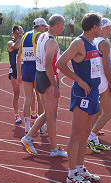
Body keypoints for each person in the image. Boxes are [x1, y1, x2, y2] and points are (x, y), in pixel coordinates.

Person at [56, 13, 102, 183]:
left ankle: (80, 168)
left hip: (93, 93)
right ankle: (71, 173)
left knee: (85, 135)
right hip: (82, 93)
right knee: (76, 134)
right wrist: (79, 80)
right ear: (94, 27)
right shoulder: (79, 43)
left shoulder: (92, 43)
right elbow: (60, 63)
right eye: (100, 25)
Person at [20, 14, 67, 158]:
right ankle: (53, 149)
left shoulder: (41, 36)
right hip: (48, 77)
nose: (64, 28)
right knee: (52, 115)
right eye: (63, 25)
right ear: (58, 25)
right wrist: (55, 85)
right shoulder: (52, 41)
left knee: (48, 113)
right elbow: (48, 64)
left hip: (39, 75)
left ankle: (28, 137)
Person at [87, 18, 111, 153]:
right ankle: (90, 136)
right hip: (103, 81)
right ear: (105, 28)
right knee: (109, 112)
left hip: (94, 79)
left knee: (97, 111)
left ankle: (95, 140)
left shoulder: (93, 41)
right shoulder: (104, 44)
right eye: (110, 27)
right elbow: (107, 67)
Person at [16, 18, 48, 136]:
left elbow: (18, 56)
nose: (45, 29)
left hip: (26, 68)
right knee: (40, 98)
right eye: (44, 27)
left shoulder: (25, 35)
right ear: (39, 27)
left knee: (28, 98)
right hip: (36, 68)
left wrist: (19, 74)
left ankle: (27, 128)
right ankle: (41, 127)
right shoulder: (40, 36)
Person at [7, 25, 24, 123]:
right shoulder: (10, 42)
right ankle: (16, 115)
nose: (21, 31)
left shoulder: (23, 40)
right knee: (16, 93)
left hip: (24, 69)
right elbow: (15, 47)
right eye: (19, 30)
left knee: (30, 93)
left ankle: (33, 112)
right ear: (14, 33)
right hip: (14, 70)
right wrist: (20, 37)